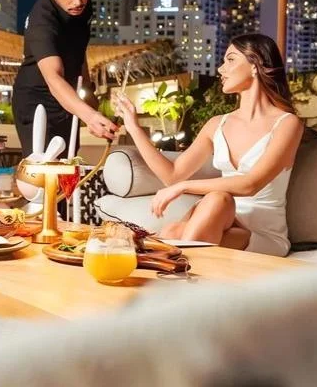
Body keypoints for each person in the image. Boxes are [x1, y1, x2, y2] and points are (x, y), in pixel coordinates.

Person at [112, 34, 304, 257]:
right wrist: (133, 127)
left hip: (262, 233)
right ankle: (175, 272)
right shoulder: (217, 124)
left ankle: (165, 269)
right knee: (179, 227)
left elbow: (250, 184)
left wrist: (183, 187)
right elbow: (172, 175)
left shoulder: (287, 124)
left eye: (230, 60)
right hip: (219, 221)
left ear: (255, 65)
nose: (221, 70)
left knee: (215, 200)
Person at [12, 0, 118, 158]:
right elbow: (53, 78)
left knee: (69, 163)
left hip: (69, 97)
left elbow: (79, 51)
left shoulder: (82, 8)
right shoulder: (42, 22)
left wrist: (91, 99)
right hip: (38, 99)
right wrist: (90, 116)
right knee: (42, 169)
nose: (78, 1)